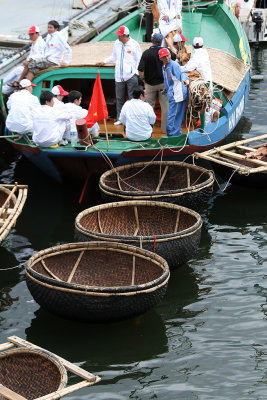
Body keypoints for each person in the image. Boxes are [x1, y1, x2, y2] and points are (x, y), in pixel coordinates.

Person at [98, 26, 142, 124]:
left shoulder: (134, 45)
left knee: (132, 99)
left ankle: (132, 120)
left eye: (120, 35)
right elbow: (113, 56)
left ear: (125, 35)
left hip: (131, 75)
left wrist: (135, 72)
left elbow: (139, 59)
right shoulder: (117, 43)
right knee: (119, 98)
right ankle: (120, 119)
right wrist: (104, 61)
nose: (118, 37)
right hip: (119, 76)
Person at [138, 33, 176, 134]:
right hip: (163, 85)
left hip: (150, 85)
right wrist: (169, 45)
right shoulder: (165, 51)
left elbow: (140, 70)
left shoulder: (146, 53)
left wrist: (143, 80)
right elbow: (175, 56)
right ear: (161, 41)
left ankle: (149, 130)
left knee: (149, 107)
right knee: (165, 107)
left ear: (151, 39)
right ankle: (165, 130)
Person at [159, 48, 189, 136]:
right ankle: (176, 136)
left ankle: (172, 137)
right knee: (175, 118)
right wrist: (166, 89)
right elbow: (169, 81)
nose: (167, 58)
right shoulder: (164, 67)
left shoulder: (174, 65)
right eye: (164, 57)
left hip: (177, 96)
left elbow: (182, 74)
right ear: (160, 58)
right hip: (173, 95)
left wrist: (184, 80)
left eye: (167, 56)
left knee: (173, 118)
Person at [5, 25, 45, 90]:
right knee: (17, 71)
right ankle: (4, 85)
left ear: (37, 34)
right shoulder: (34, 42)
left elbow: (42, 54)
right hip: (30, 64)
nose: (30, 36)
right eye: (30, 34)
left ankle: (5, 88)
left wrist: (29, 59)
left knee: (18, 71)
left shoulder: (41, 42)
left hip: (33, 65)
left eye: (32, 34)